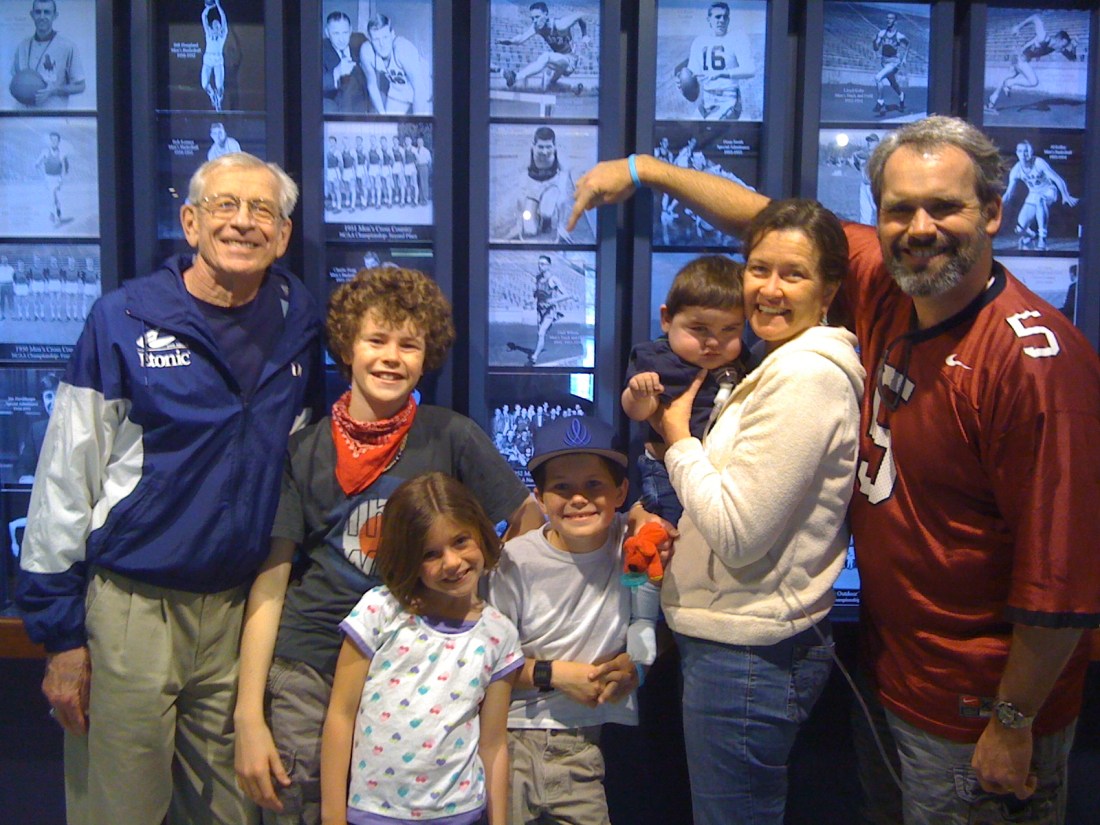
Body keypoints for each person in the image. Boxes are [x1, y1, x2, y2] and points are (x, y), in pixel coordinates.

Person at [569, 115, 1100, 824]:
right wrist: (642, 170)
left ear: (995, 212)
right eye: (899, 208)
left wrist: (1012, 716)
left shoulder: (1035, 367)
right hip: (893, 669)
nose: (920, 226)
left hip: (976, 699)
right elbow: (769, 219)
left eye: (944, 206)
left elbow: (1060, 583)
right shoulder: (888, 279)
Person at [17, 151, 322, 824]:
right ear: (190, 222)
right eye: (225, 206)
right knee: (120, 811)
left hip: (238, 611)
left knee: (231, 811)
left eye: (262, 210)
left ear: (283, 235)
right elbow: (65, 478)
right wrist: (62, 637)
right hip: (132, 612)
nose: (243, 222)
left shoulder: (298, 320)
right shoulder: (123, 319)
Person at [233, 266, 543, 825]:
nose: (391, 357)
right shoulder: (302, 449)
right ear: (347, 346)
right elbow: (273, 580)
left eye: (409, 344)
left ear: (428, 356)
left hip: (423, 674)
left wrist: (467, 597)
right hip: (313, 664)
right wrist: (249, 715)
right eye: (376, 340)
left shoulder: (449, 434)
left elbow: (529, 519)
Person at [642, 200, 862, 823]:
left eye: (792, 274)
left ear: (829, 290)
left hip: (749, 654)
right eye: (758, 268)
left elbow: (738, 533)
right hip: (736, 642)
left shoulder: (805, 378)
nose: (768, 289)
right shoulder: (776, 365)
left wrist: (677, 438)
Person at [320, 472, 522, 825]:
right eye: (431, 553)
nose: (452, 563)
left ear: (480, 532)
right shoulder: (379, 611)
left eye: (460, 542)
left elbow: (493, 744)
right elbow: (341, 715)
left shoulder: (499, 634)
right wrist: (333, 817)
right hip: (375, 813)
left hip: (461, 814)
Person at [486, 415, 659, 825]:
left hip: (588, 743)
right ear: (541, 498)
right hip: (511, 737)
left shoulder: (634, 544)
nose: (578, 498)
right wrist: (555, 674)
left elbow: (655, 627)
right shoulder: (515, 561)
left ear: (620, 492)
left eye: (594, 485)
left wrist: (635, 668)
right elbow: (487, 663)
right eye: (562, 487)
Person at [622, 254, 746, 527]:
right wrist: (640, 393)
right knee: (670, 531)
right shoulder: (657, 358)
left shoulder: (741, 360)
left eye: (729, 330)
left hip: (717, 470)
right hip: (666, 468)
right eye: (699, 329)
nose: (714, 342)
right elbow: (639, 412)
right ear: (667, 320)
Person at [985, 14, 1078, 113]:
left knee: (1007, 76)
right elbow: (1035, 18)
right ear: (1062, 41)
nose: (1063, 49)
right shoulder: (1044, 38)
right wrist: (1018, 27)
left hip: (1017, 57)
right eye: (1065, 45)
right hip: (1020, 59)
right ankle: (1009, 84)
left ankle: (991, 103)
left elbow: (1072, 58)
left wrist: (1074, 47)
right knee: (1033, 82)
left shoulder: (1056, 47)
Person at [497, 2, 588, 96]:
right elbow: (521, 39)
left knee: (546, 56)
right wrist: (508, 41)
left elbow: (580, 15)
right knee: (548, 86)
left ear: (546, 14)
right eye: (532, 18)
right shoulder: (537, 27)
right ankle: (574, 88)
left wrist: (585, 35)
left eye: (537, 17)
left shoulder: (560, 25)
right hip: (558, 61)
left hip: (570, 61)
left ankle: (515, 77)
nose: (535, 21)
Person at [684, 2, 755, 120]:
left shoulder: (737, 38)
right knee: (688, 132)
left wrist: (723, 74)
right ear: (709, 19)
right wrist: (682, 81)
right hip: (707, 100)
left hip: (729, 99)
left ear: (728, 20)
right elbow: (693, 74)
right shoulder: (699, 42)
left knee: (711, 131)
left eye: (725, 17)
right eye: (717, 17)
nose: (721, 20)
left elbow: (750, 70)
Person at [1003, 139, 1078, 251]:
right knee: (1019, 230)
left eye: (1026, 151)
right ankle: (1033, 235)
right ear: (1017, 152)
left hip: (1048, 191)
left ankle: (1042, 238)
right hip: (1033, 193)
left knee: (1039, 200)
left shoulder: (1038, 163)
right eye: (1020, 151)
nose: (1023, 154)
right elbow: (1008, 193)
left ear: (1031, 152)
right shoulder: (1016, 170)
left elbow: (1057, 179)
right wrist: (999, 206)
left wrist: (1065, 195)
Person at [10, 0, 86, 108]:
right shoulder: (22, 46)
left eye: (46, 12)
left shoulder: (67, 46)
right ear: (32, 15)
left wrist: (53, 91)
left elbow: (80, 86)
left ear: (55, 15)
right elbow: (16, 80)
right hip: (24, 116)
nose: (42, 17)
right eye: (38, 12)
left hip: (53, 119)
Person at [511, 126, 577, 243]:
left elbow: (562, 193)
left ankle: (546, 218)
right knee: (530, 231)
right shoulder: (525, 157)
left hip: (550, 187)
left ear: (554, 146)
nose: (545, 152)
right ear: (533, 145)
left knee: (547, 212)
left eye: (548, 147)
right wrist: (519, 225)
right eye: (541, 147)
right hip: (532, 189)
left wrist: (561, 228)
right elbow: (521, 192)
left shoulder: (560, 156)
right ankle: (535, 216)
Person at [360, 13, 431, 115]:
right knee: (388, 127)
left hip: (425, 90)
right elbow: (372, 85)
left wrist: (418, 121)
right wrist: (382, 114)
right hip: (398, 91)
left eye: (385, 37)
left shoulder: (402, 48)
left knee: (425, 127)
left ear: (392, 34)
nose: (382, 44)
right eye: (376, 39)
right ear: (370, 40)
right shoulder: (367, 52)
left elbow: (419, 88)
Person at [505, 254, 569, 366]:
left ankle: (534, 357)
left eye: (543, 264)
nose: (540, 266)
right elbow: (537, 293)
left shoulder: (554, 279)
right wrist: (531, 300)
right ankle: (554, 319)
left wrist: (553, 301)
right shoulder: (538, 278)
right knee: (540, 332)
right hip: (539, 310)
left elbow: (566, 295)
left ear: (549, 265)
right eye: (539, 264)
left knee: (541, 333)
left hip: (549, 310)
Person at [321, 11, 367, 113]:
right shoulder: (319, 50)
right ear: (327, 33)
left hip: (363, 103)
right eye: (336, 33)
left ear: (350, 30)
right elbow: (313, 84)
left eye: (345, 32)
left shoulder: (361, 41)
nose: (341, 39)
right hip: (337, 106)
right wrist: (336, 73)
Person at [872, 12, 909, 115]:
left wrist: (904, 58)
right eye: (887, 18)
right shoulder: (881, 33)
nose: (888, 20)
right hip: (884, 62)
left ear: (895, 21)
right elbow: (876, 48)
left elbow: (907, 44)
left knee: (878, 78)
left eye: (891, 18)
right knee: (893, 83)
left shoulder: (899, 36)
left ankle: (880, 101)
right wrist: (874, 41)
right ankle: (901, 96)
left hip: (894, 63)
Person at [34, 130, 67, 226]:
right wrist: (40, 167)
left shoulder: (62, 154)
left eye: (56, 140)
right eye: (52, 140)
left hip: (57, 179)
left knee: (54, 196)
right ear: (50, 141)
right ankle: (55, 213)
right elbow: (36, 163)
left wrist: (61, 179)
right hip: (48, 178)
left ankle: (55, 213)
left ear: (59, 142)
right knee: (53, 197)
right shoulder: (45, 151)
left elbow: (64, 169)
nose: (54, 142)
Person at [201, 0, 229, 112]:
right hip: (208, 59)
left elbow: (223, 17)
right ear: (212, 27)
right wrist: (209, 7)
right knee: (204, 84)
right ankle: (212, 95)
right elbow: (203, 17)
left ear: (220, 27)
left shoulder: (223, 34)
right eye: (214, 24)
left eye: (217, 24)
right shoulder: (208, 33)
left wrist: (218, 5)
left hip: (218, 60)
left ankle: (218, 100)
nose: (215, 25)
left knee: (219, 86)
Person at [851, 133, 880, 225]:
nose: (869, 143)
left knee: (878, 210)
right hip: (864, 185)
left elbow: (867, 156)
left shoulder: (879, 153)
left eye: (871, 141)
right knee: (864, 212)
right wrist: (855, 160)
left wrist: (856, 154)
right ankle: (865, 232)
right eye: (868, 141)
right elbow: (859, 167)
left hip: (874, 185)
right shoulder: (864, 154)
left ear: (877, 142)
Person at [414, 135, 432, 205]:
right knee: (419, 183)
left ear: (423, 142)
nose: (419, 143)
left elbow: (429, 160)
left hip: (423, 166)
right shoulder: (415, 150)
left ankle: (425, 199)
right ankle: (420, 199)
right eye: (418, 142)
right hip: (417, 167)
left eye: (420, 142)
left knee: (424, 183)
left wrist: (426, 168)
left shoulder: (426, 150)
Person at [0, 254, 14, 320]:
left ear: (7, 261)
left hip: (9, 285)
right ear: (1, 261)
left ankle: (12, 315)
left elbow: (13, 277)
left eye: (5, 260)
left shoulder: (11, 268)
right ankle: (2, 315)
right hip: (2, 285)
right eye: (3, 260)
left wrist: (13, 286)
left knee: (10, 300)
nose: (4, 261)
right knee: (1, 301)